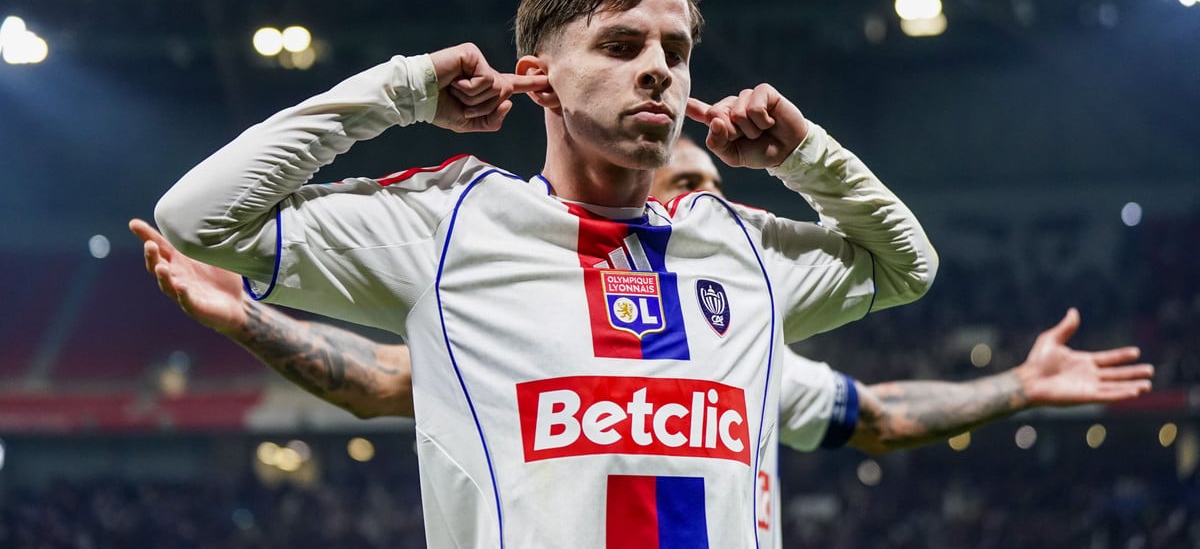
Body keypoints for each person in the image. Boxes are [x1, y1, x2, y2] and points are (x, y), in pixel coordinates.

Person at [154, 0, 939, 548]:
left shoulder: (740, 248)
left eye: (675, 52)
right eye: (621, 46)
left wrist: (805, 155)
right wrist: (404, 89)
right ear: (538, 79)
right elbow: (200, 216)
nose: (659, 71)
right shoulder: (448, 226)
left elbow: (908, 266)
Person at [133, 138, 1152, 544]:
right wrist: (248, 316)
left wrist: (1019, 387)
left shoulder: (745, 344)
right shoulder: (521, 303)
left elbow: (878, 414)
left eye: (716, 187)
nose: (709, 202)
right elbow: (382, 379)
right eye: (686, 185)